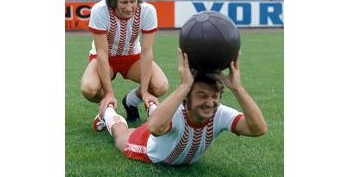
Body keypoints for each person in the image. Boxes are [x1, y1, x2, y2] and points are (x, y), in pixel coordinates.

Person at [93, 49, 268, 166]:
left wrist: (238, 88)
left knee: (161, 117)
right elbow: (154, 127)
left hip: (163, 122)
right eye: (202, 96)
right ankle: (106, 112)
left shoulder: (219, 113)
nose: (209, 102)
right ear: (185, 99)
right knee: (120, 136)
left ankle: (145, 102)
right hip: (148, 148)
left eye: (214, 96)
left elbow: (258, 129)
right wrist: (184, 86)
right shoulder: (178, 112)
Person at [81, 0, 169, 123]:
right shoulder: (100, 10)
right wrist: (108, 93)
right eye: (124, 2)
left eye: (132, 1)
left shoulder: (148, 11)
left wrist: (145, 91)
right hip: (105, 59)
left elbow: (147, 52)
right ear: (114, 0)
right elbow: (102, 53)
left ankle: (131, 101)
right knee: (89, 89)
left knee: (161, 86)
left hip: (132, 57)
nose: (129, 8)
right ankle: (107, 111)